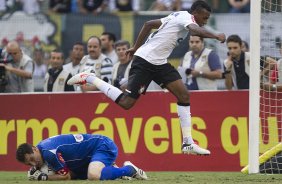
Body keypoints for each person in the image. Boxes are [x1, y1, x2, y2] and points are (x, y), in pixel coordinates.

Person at [68, 0, 226, 155]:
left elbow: (148, 24)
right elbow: (195, 30)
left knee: (183, 94)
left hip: (159, 63)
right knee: (126, 102)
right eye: (204, 18)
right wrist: (216, 35)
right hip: (145, 61)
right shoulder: (186, 18)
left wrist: (136, 46)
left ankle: (188, 143)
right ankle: (90, 77)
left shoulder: (177, 15)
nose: (205, 22)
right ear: (196, 13)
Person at [16, 134, 148, 181]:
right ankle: (112, 170)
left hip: (102, 145)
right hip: (88, 156)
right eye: (30, 164)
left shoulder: (48, 152)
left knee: (93, 176)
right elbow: (70, 174)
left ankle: (130, 169)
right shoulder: (43, 148)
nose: (34, 163)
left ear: (34, 148)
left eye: (32, 158)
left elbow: (65, 177)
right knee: (76, 174)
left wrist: (42, 177)